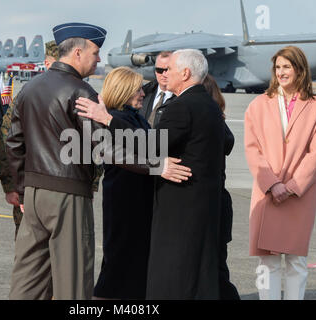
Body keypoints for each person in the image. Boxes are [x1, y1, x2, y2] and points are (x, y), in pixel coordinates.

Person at [7, 23, 190, 300]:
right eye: (96, 52)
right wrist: (157, 165)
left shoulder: (30, 88)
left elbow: (14, 143)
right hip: (67, 194)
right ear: (78, 52)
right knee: (74, 281)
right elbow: (105, 148)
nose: (99, 59)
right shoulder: (81, 92)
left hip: (32, 195)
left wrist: (20, 188)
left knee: (28, 280)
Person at [76, 49, 225, 299]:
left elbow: (151, 144)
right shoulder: (207, 104)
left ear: (185, 73)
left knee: (167, 270)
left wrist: (109, 119)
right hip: (139, 199)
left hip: (168, 203)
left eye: (170, 70)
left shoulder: (180, 107)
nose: (164, 76)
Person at [244, 46, 316, 300]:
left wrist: (291, 186)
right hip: (267, 193)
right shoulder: (258, 105)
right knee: (267, 262)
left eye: (287, 67)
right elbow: (252, 149)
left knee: (296, 261)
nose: (281, 72)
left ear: (299, 69)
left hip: (299, 195)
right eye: (278, 67)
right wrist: (272, 183)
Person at [92, 67, 154, 300]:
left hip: (137, 196)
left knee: (131, 258)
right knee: (119, 257)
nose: (142, 93)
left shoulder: (133, 116)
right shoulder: (116, 118)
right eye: (138, 89)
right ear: (125, 90)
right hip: (124, 198)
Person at [0, 40, 59, 240]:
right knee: (28, 251)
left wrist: (90, 186)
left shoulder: (79, 96)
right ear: (47, 65)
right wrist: (10, 185)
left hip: (65, 190)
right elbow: (5, 140)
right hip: (29, 188)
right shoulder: (27, 95)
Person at [202, 74, 240, 300]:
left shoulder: (213, 126)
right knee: (217, 265)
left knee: (215, 268)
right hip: (220, 202)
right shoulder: (221, 125)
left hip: (212, 205)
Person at [139, 51, 174, 127]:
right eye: (159, 70)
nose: (164, 74)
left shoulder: (183, 97)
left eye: (168, 70)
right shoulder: (144, 93)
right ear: (155, 71)